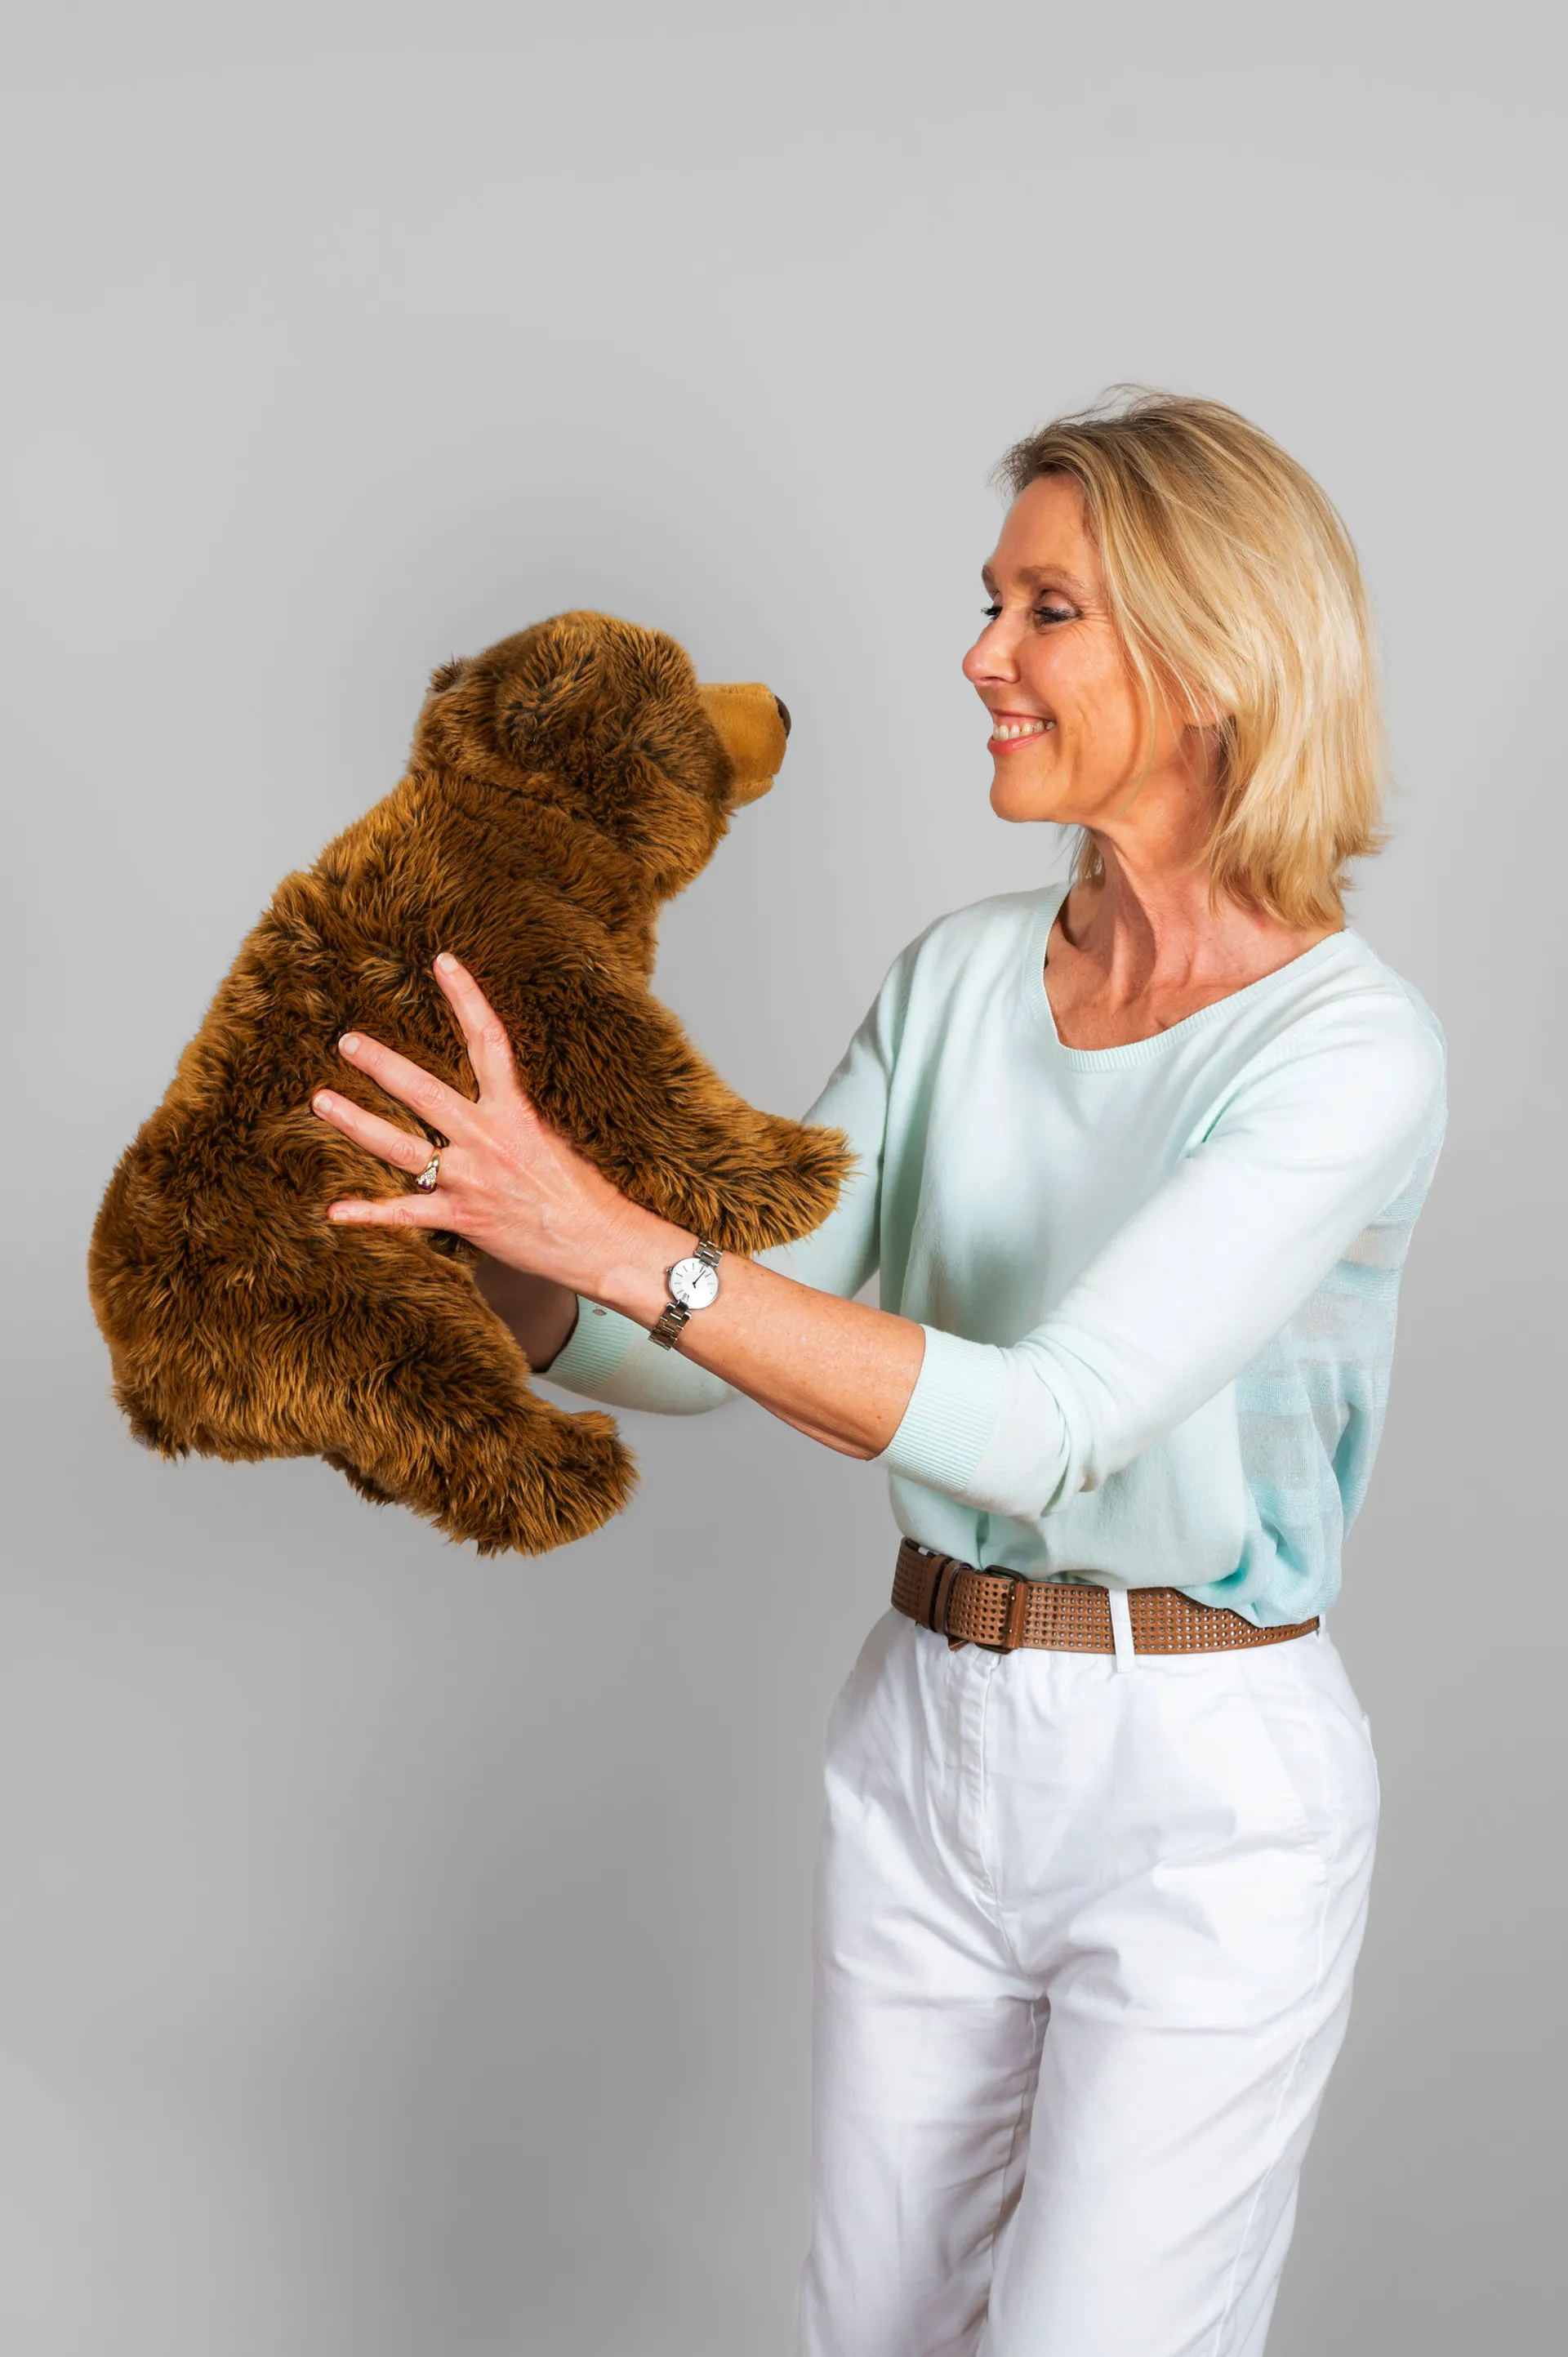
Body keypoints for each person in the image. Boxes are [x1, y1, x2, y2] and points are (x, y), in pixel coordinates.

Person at [308, 391, 1446, 2356]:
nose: (979, 656)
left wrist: (608, 1235)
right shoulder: (954, 980)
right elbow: (723, 1330)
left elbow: (1051, 1426)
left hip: (1197, 1779)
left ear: (1216, 657)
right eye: (990, 601)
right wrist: (485, 1245)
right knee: (877, 2340)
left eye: (1046, 610)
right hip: (925, 1730)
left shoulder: (1348, 1053)